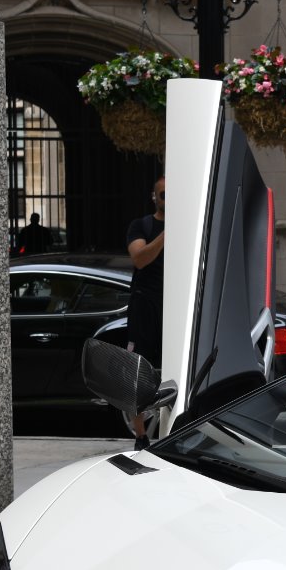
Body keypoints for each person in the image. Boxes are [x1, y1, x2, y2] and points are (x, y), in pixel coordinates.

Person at [125, 178, 166, 438]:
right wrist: (166, 233)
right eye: (163, 195)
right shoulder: (141, 226)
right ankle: (141, 436)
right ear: (154, 197)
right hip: (145, 309)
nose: (167, 200)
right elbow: (140, 259)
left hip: (172, 307)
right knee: (139, 371)